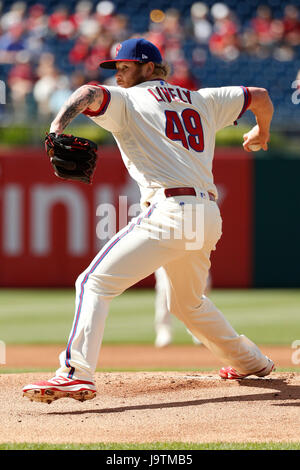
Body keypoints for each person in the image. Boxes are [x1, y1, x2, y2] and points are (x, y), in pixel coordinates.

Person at [23, 37, 275, 403]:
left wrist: (57, 126)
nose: (119, 73)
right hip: (205, 215)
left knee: (93, 282)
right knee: (188, 304)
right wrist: (262, 131)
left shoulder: (128, 99)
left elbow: (89, 92)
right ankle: (251, 361)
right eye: (116, 68)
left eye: (125, 66)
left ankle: (75, 373)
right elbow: (261, 95)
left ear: (150, 67)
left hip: (171, 210)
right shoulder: (202, 99)